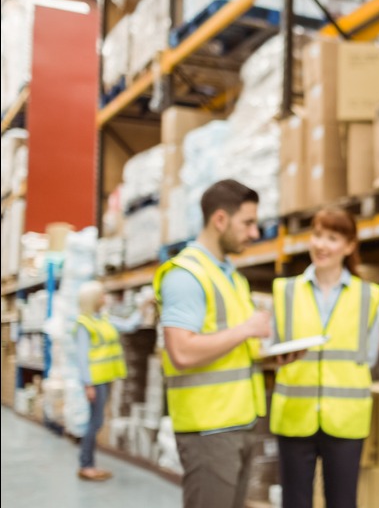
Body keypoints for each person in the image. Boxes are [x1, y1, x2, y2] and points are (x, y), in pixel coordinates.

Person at [153, 179, 300, 508]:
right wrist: (247, 329)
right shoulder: (186, 275)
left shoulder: (231, 276)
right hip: (209, 429)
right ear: (220, 220)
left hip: (239, 423)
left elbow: (230, 349)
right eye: (247, 223)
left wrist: (271, 360)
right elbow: (181, 351)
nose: (254, 233)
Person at [269, 207, 379, 508]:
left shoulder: (367, 296)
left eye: (332, 238)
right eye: (317, 235)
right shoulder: (285, 291)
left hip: (345, 420)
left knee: (343, 502)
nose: (321, 245)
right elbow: (272, 347)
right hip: (295, 415)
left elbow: (369, 356)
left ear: (349, 246)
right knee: (294, 502)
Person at [74, 280, 142, 481]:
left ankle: (89, 463)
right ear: (93, 299)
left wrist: (143, 307)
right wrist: (88, 384)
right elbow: (82, 356)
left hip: (106, 377)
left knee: (96, 421)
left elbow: (129, 325)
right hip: (95, 381)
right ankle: (86, 465)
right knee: (94, 422)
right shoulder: (84, 324)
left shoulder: (103, 319)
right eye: (103, 295)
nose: (106, 298)